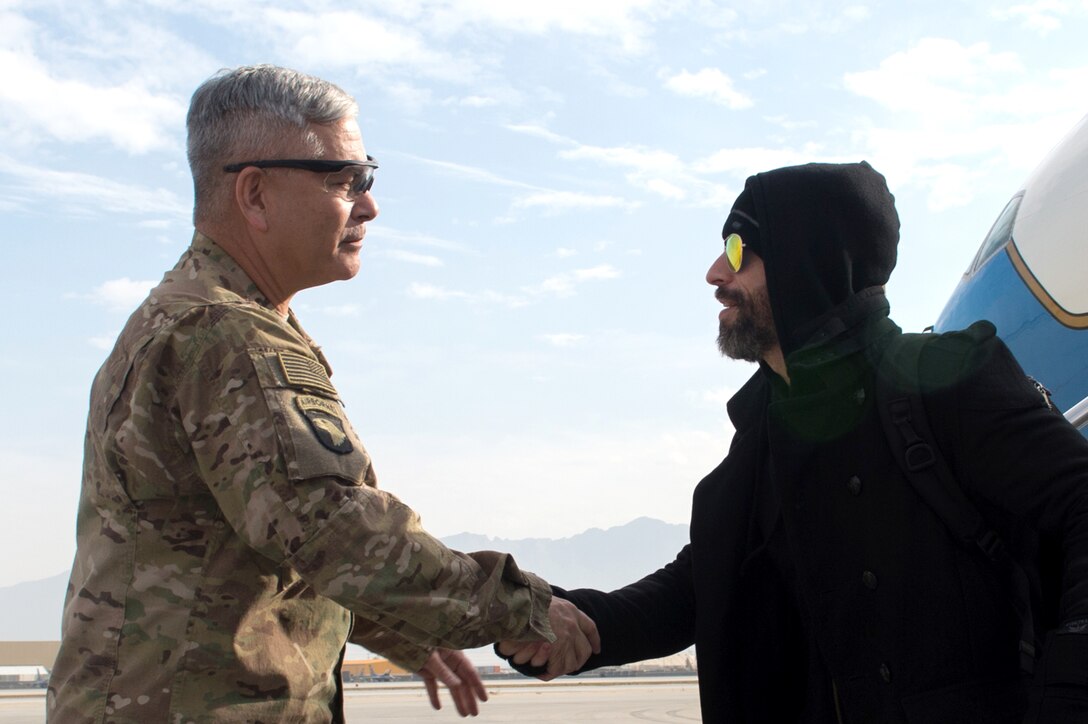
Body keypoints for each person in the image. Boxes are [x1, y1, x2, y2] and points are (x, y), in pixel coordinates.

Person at [48, 65, 598, 724]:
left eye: (367, 178)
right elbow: (332, 530)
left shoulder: (195, 316)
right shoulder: (228, 334)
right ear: (254, 195)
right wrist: (523, 606)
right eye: (345, 180)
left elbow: (265, 541)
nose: (368, 204)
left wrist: (408, 634)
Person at [499, 161, 1088, 723]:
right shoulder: (762, 443)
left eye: (738, 250)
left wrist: (1067, 703)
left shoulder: (948, 384)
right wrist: (568, 620)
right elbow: (694, 591)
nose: (715, 274)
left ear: (807, 261)